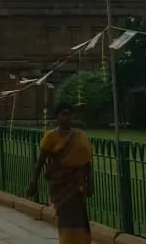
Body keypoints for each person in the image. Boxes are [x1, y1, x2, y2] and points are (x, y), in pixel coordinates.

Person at [27, 102, 95, 244]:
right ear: (56, 117)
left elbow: (87, 162)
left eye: (69, 114)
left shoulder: (80, 136)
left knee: (78, 217)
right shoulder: (50, 137)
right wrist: (34, 182)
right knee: (65, 217)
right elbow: (40, 162)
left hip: (77, 184)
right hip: (59, 185)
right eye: (63, 114)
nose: (66, 118)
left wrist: (91, 183)